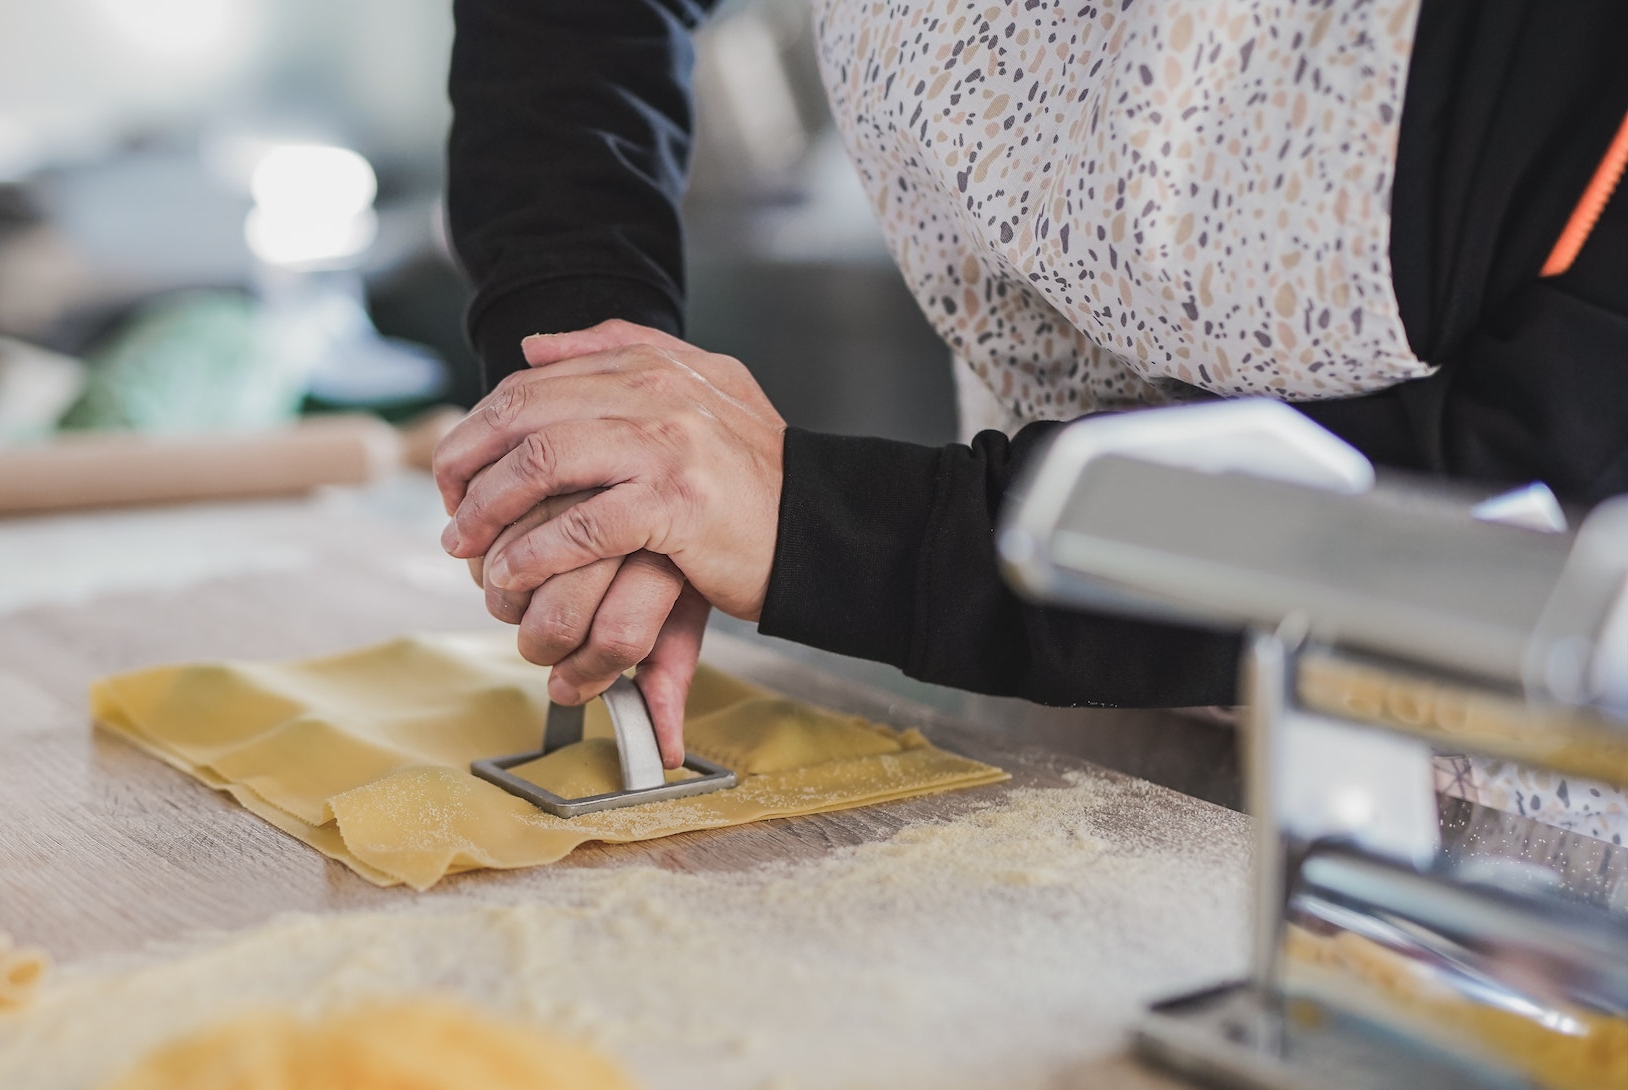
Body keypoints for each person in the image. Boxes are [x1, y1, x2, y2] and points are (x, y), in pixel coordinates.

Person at [436, 0, 1628, 768]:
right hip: (1054, 706)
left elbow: (1511, 482)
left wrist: (828, 528)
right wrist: (592, 385)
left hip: (1520, 822)